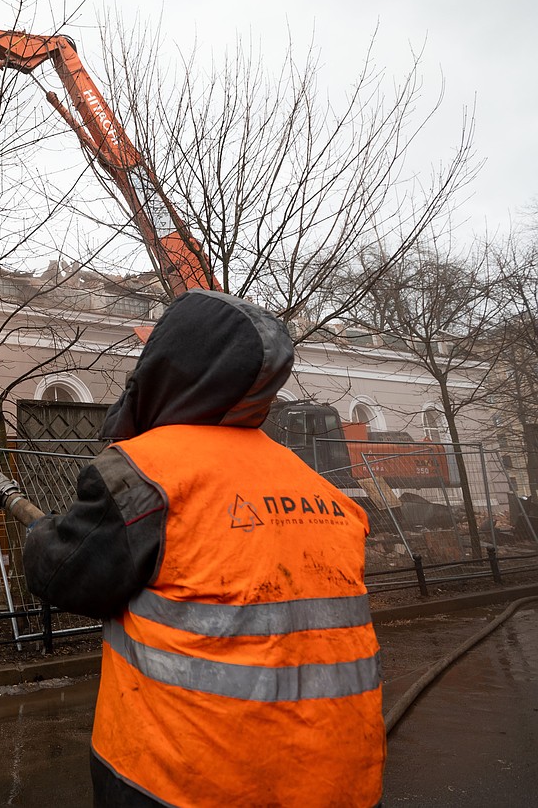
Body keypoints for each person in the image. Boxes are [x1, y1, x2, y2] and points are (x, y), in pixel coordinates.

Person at [22, 290, 385, 808]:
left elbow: (63, 575)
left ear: (170, 366)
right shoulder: (317, 487)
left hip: (183, 781)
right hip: (339, 781)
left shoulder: (146, 475)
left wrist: (41, 537)